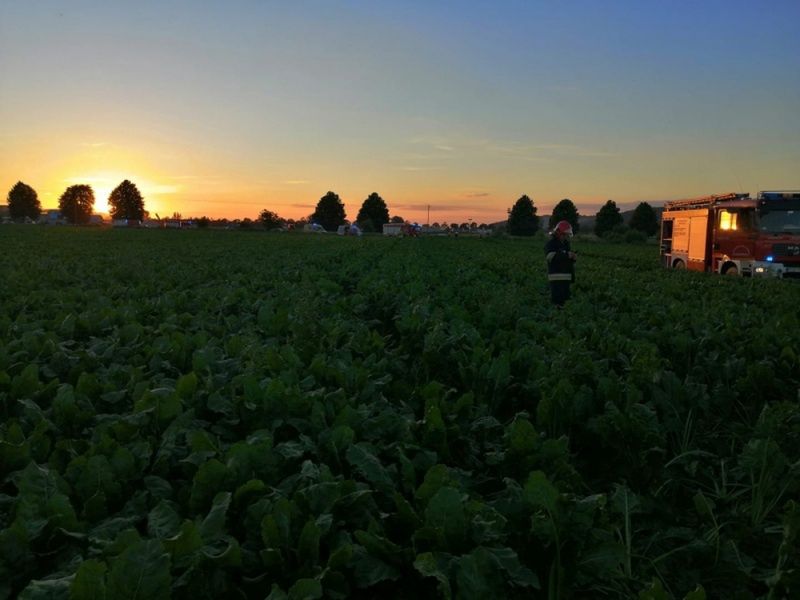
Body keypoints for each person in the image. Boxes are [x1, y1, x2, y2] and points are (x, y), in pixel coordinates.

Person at [545, 220, 577, 306]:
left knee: (566, 302)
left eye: (567, 235)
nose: (566, 237)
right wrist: (566, 255)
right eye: (564, 234)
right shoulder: (551, 244)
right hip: (556, 279)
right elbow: (550, 257)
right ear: (559, 233)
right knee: (557, 303)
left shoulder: (566, 244)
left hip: (566, 278)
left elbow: (566, 259)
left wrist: (573, 258)